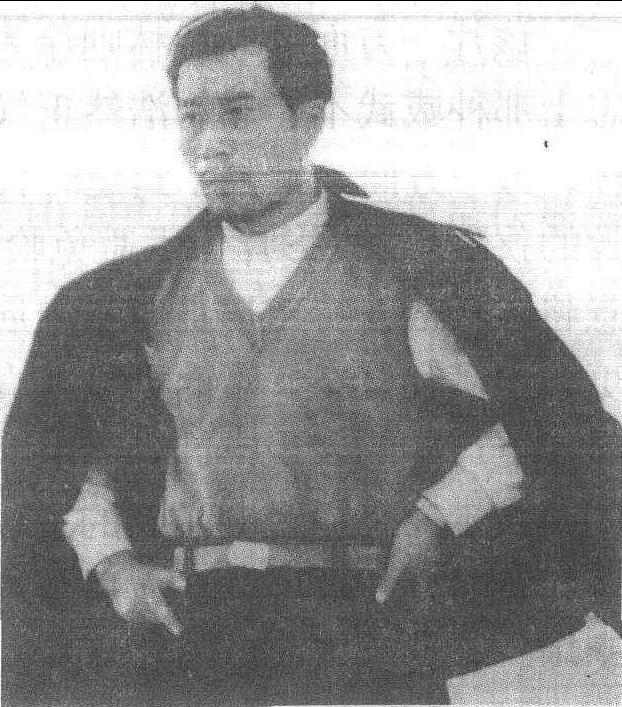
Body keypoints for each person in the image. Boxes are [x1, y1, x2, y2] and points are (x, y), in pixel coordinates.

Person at [2, 5, 620, 705]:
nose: (210, 144)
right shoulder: (137, 296)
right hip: (195, 640)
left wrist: (437, 514)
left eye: (238, 113)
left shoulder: (410, 275)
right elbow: (60, 457)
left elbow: (546, 424)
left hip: (361, 631)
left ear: (307, 120)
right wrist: (114, 565)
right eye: (193, 117)